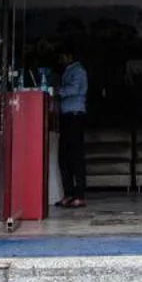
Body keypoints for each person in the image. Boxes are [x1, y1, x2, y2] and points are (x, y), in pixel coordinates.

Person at [55, 47, 89, 208]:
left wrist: (57, 91)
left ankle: (79, 195)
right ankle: (68, 194)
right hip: (67, 117)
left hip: (75, 116)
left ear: (69, 55)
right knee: (64, 157)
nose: (60, 59)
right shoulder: (68, 70)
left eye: (62, 56)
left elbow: (74, 89)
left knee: (76, 157)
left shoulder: (78, 71)